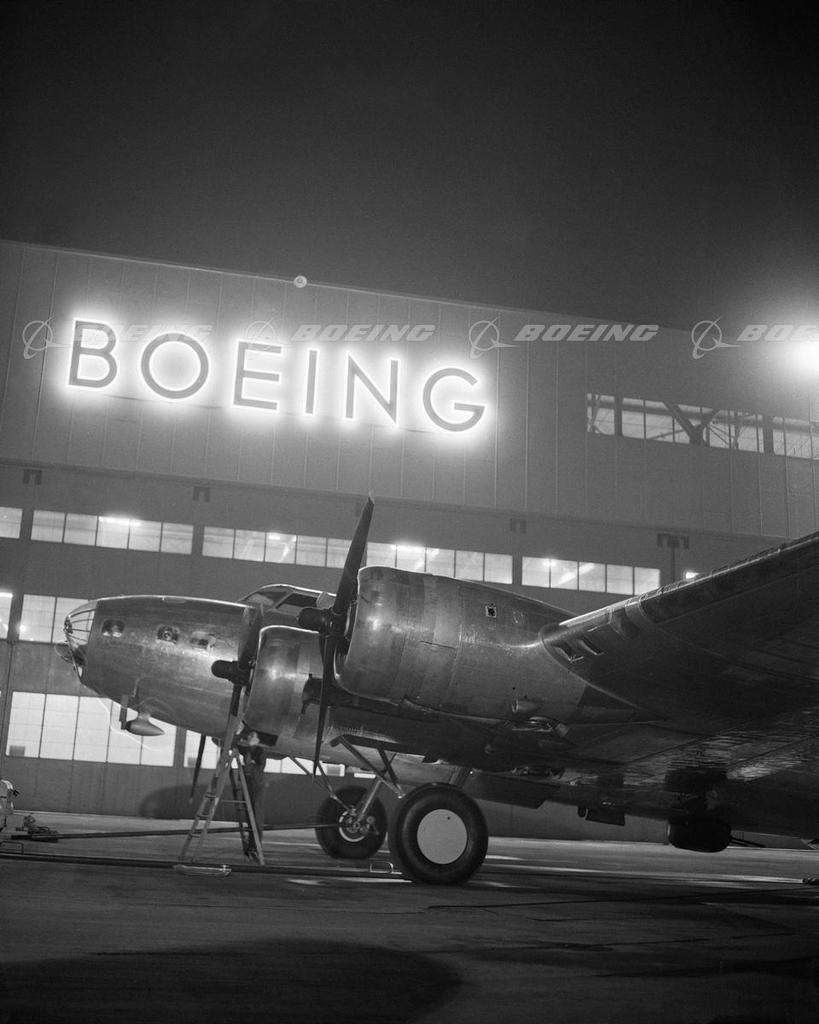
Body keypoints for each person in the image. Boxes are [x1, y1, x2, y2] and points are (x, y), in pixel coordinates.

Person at [235, 731, 266, 859]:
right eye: (249, 735)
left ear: (258, 740)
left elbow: (257, 766)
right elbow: (236, 744)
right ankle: (251, 846)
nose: (249, 737)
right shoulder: (247, 750)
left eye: (252, 736)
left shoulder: (260, 751)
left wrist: (249, 764)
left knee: (256, 818)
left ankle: (256, 846)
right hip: (247, 784)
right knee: (249, 817)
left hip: (256, 785)